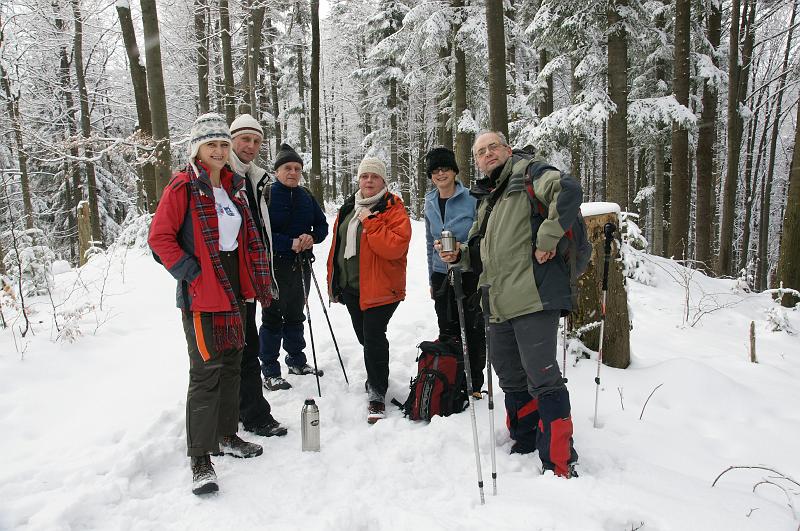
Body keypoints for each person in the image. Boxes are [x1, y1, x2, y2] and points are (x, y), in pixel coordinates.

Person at [438, 130, 581, 478]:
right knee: (510, 378)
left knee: (543, 378)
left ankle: (559, 461)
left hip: (533, 296)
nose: (487, 155)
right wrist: (459, 254)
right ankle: (526, 440)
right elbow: (478, 250)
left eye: (492, 148)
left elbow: (569, 190)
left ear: (507, 149)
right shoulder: (488, 198)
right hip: (498, 302)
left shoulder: (529, 173)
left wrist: (548, 237)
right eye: (480, 152)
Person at [149, 113, 272, 495]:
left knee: (234, 363)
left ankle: (227, 435)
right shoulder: (183, 186)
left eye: (223, 145)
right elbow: (160, 238)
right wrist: (193, 273)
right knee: (205, 371)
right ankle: (201, 458)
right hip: (203, 291)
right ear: (197, 149)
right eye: (211, 145)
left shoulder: (233, 187)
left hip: (235, 287)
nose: (219, 151)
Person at [326, 157, 411, 423]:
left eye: (375, 177)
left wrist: (371, 221)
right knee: (366, 337)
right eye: (365, 176)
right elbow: (338, 245)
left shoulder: (393, 208)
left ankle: (377, 393)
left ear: (384, 181)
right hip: (352, 287)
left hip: (381, 288)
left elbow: (395, 247)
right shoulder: (350, 206)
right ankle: (376, 374)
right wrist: (334, 280)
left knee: (373, 336)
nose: (369, 181)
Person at [227, 113, 287, 436]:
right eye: (245, 139)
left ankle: (248, 413)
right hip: (229, 279)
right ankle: (248, 415)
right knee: (237, 352)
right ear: (232, 139)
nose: (250, 146)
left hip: (249, 278)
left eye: (256, 141)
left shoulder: (256, 179)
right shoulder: (223, 177)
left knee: (247, 348)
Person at [258, 143, 328, 391]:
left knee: (297, 314)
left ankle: (296, 360)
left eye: (297, 168)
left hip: (301, 266)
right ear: (277, 171)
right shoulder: (266, 195)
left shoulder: (306, 195)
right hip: (273, 265)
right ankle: (269, 369)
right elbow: (260, 234)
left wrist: (311, 237)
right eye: (288, 168)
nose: (293, 172)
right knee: (273, 316)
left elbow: (322, 227)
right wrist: (290, 243)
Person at [423, 147, 486, 396]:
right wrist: (431, 277)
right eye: (435, 171)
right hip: (441, 273)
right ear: (431, 175)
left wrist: (462, 249)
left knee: (472, 326)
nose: (440, 174)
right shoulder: (429, 201)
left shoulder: (471, 198)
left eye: (445, 169)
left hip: (468, 271)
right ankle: (453, 374)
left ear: (454, 171)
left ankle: (475, 382)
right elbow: (429, 242)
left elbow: (482, 237)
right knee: (446, 325)